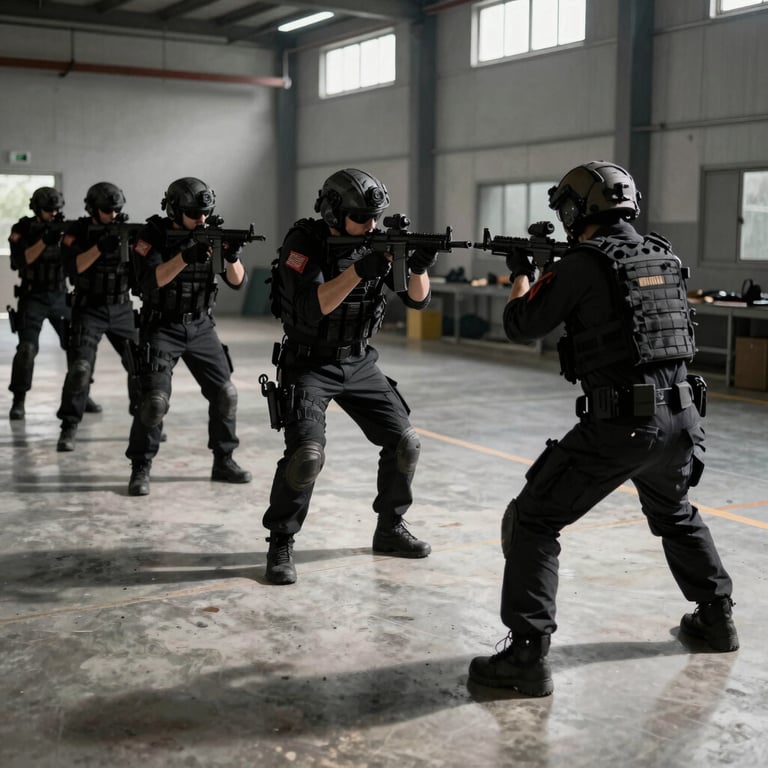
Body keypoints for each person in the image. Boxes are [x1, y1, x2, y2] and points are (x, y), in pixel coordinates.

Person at [468, 161, 738, 697]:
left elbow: (521, 325)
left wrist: (524, 274)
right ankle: (716, 616)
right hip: (683, 419)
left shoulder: (582, 264)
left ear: (577, 210)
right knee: (674, 513)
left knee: (533, 520)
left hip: (622, 425)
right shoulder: (662, 253)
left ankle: (526, 655)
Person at [262, 168, 436, 585]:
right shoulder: (304, 242)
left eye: (375, 218)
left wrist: (417, 265)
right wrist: (361, 269)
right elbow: (311, 307)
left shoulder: (374, 240)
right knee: (306, 455)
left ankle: (389, 528)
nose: (370, 226)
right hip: (309, 363)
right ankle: (281, 541)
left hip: (359, 362)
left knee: (404, 442)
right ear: (334, 213)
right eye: (361, 218)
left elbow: (418, 301)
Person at [125, 177, 251, 496]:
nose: (202, 220)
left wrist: (232, 256)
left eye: (206, 213)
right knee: (153, 402)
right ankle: (141, 465)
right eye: (195, 214)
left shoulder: (209, 233)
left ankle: (224, 459)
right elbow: (149, 282)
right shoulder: (151, 235)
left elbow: (237, 281)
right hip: (161, 326)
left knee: (226, 394)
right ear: (174, 210)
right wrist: (186, 256)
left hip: (200, 326)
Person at [55, 182, 139, 452]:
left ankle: (144, 421)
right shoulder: (77, 232)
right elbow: (73, 267)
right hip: (89, 308)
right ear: (92, 208)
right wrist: (100, 247)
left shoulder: (127, 231)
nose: (112, 215)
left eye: (116, 209)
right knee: (80, 369)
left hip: (122, 308)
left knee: (141, 367)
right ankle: (69, 426)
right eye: (106, 210)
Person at [7, 186, 101, 421]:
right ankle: (19, 400)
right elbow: (20, 261)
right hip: (33, 297)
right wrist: (44, 240)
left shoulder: (67, 229)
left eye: (56, 210)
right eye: (48, 210)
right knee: (27, 349)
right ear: (37, 209)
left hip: (61, 296)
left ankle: (82, 394)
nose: (53, 214)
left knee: (78, 348)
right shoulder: (23, 229)